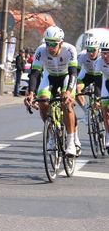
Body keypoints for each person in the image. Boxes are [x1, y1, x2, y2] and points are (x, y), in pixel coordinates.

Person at [24, 26, 80, 157]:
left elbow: (73, 73)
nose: (50, 47)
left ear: (60, 42)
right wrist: (31, 93)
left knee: (67, 104)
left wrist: (68, 91)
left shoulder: (70, 49)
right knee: (43, 102)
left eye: (53, 44)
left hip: (66, 77)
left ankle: (71, 143)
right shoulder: (40, 51)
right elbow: (35, 73)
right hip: (50, 77)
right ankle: (51, 134)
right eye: (48, 43)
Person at [75, 37, 102, 118]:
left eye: (93, 50)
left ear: (98, 49)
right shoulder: (81, 55)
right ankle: (86, 111)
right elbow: (75, 72)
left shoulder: (103, 56)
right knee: (76, 88)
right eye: (88, 50)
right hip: (87, 75)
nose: (90, 53)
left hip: (101, 76)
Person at [92, 40, 109, 150]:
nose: (105, 56)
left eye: (108, 53)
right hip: (106, 82)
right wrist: (97, 98)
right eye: (103, 53)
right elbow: (97, 82)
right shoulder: (99, 62)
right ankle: (108, 135)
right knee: (105, 110)